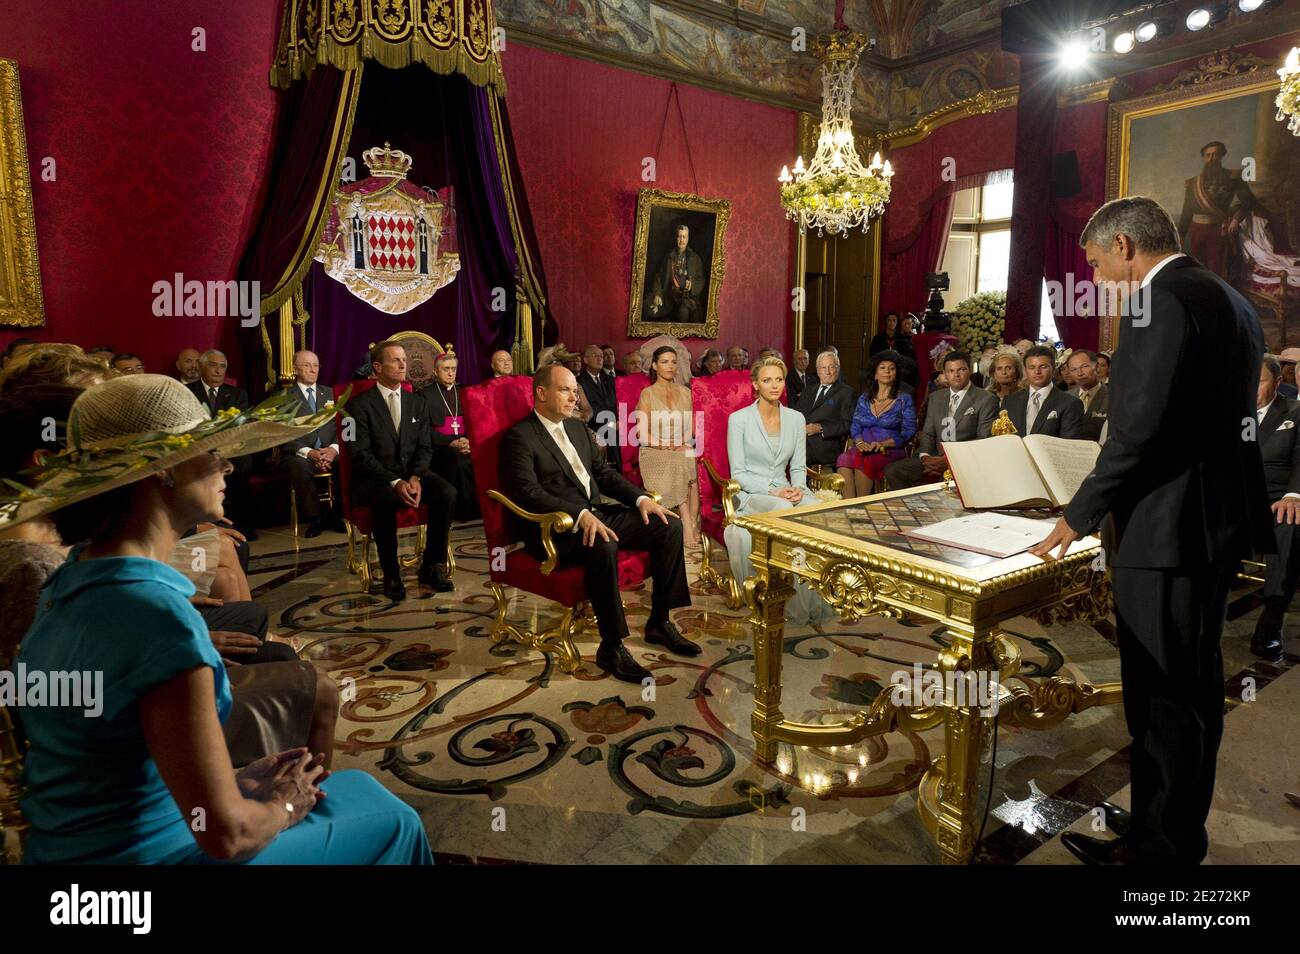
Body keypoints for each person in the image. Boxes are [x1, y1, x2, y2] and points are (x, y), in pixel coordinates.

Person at [3, 374, 431, 864]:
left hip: (66, 849)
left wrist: (242, 781)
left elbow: (112, 757)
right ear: (161, 471)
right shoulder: (153, 614)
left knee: (354, 786)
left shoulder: (74, 575)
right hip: (150, 858)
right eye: (210, 452)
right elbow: (227, 837)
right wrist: (285, 803)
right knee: (395, 819)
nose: (226, 464)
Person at [1032, 195, 1273, 866]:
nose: (1100, 279)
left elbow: (1139, 428)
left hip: (1164, 532)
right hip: (1211, 526)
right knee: (1194, 691)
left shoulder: (1157, 302)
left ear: (1127, 247)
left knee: (1162, 697)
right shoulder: (1231, 299)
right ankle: (1168, 831)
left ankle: (1158, 854)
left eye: (1098, 263)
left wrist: (1077, 514)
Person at [498, 364, 696, 683]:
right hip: (555, 528)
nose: (574, 397)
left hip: (595, 512)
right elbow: (526, 492)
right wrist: (578, 515)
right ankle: (612, 646)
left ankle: (660, 622)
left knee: (668, 524)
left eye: (576, 391)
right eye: (566, 390)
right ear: (541, 393)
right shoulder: (520, 437)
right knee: (603, 541)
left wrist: (641, 498)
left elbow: (603, 475)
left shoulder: (577, 429)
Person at [724, 357, 834, 626]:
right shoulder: (739, 420)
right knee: (784, 510)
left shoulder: (796, 419)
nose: (774, 386)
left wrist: (798, 489)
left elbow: (797, 467)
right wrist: (775, 494)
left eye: (778, 379)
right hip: (752, 494)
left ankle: (809, 593)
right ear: (755, 385)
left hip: (785, 488)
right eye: (766, 380)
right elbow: (738, 474)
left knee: (815, 510)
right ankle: (775, 591)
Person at [346, 340, 457, 602]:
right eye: (395, 360)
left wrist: (416, 477)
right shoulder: (358, 406)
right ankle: (391, 573)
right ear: (377, 367)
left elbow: (425, 446)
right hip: (375, 478)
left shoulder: (416, 402)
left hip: (412, 475)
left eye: (404, 359)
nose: (403, 364)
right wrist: (395, 482)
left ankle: (432, 566)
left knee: (447, 493)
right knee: (385, 501)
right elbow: (359, 454)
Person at [883, 351, 997, 490]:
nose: (956, 375)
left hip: (965, 461)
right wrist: (925, 457)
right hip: (933, 457)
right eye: (951, 371)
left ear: (970, 371)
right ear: (944, 373)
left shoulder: (986, 398)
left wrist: (948, 461)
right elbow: (928, 433)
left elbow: (983, 439)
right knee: (893, 471)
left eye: (961, 370)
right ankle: (918, 509)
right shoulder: (936, 397)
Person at [1251, 355, 1300, 662]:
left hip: (1276, 502)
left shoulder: (1295, 412)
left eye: (1259, 381)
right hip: (1231, 503)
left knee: (1290, 522)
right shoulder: (1226, 414)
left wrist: (1294, 495)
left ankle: (1272, 619)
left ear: (1278, 383)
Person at [635, 346, 701, 551]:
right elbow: (641, 434)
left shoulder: (686, 392)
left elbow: (692, 428)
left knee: (690, 457)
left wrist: (682, 443)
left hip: (681, 447)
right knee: (679, 460)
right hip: (654, 450)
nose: (670, 366)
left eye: (673, 362)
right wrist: (667, 445)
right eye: (664, 362)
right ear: (654, 365)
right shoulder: (647, 394)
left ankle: (690, 521)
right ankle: (687, 522)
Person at [186, 350, 256, 538]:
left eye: (222, 366)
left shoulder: (237, 394)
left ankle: (239, 523)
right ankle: (204, 525)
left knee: (244, 462)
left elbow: (239, 426)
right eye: (213, 365)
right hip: (198, 449)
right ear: (201, 367)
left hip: (229, 448)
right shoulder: (187, 392)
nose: (218, 370)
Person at [279, 350, 345, 537]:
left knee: (351, 462)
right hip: (300, 452)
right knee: (299, 467)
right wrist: (310, 453)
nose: (312, 369)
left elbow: (345, 426)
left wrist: (333, 449)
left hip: (330, 449)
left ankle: (337, 515)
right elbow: (283, 434)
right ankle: (316, 518)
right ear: (295, 369)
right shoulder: (284, 397)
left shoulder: (331, 393)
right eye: (307, 365)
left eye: (316, 365)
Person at [836, 350, 916, 497]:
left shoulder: (904, 399)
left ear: (896, 373)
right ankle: (850, 506)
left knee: (864, 462)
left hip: (891, 449)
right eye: (883, 367)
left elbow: (909, 431)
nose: (887, 371)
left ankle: (862, 507)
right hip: (864, 446)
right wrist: (859, 443)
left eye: (892, 368)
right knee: (843, 459)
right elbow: (855, 426)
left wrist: (884, 444)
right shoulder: (864, 398)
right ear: (875, 374)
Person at [1177, 140, 1256, 285]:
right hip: (1197, 230)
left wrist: (1236, 219)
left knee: (1216, 269)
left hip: (1218, 230)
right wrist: (1181, 235)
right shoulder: (1193, 183)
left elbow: (1248, 201)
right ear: (1204, 158)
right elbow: (1186, 211)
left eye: (1215, 155)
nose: (1211, 158)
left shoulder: (1234, 177)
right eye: (1208, 155)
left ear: (1221, 156)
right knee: (1199, 269)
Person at [420, 350, 479, 522]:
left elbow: (475, 422)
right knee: (458, 462)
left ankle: (478, 509)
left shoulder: (466, 391)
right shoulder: (424, 395)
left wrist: (468, 441)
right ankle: (460, 511)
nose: (451, 372)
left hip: (466, 443)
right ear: (436, 372)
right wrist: (451, 442)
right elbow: (425, 430)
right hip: (440, 446)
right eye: (446, 369)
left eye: (453, 368)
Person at [1003, 345, 1083, 438]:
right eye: (1032, 367)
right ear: (1025, 370)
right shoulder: (1009, 401)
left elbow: (1069, 444)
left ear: (1053, 369)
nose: (1037, 372)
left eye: (1043, 367)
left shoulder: (1070, 403)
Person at [793, 350, 854, 471]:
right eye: (823, 367)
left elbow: (847, 424)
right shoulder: (808, 390)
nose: (827, 372)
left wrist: (820, 428)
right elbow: (795, 415)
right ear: (818, 370)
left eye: (831, 367)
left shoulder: (846, 392)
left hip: (823, 444)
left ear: (838, 368)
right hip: (800, 440)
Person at [648, 224, 705, 323]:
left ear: (688, 239)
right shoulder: (669, 257)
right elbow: (659, 277)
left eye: (684, 237)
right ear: (676, 238)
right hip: (670, 298)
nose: (681, 240)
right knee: (649, 311)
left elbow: (701, 279)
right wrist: (657, 294)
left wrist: (692, 287)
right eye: (679, 236)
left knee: (684, 312)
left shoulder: (695, 258)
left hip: (687, 299)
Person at [578, 344, 620, 468]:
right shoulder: (579, 381)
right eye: (595, 356)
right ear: (585, 360)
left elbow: (616, 404)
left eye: (601, 356)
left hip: (615, 430)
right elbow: (585, 410)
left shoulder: (610, 380)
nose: (600, 359)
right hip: (593, 429)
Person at [1067, 349, 1110, 442]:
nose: (1080, 373)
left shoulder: (1113, 397)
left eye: (1085, 366)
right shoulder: (1065, 398)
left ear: (1097, 367)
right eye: (1074, 369)